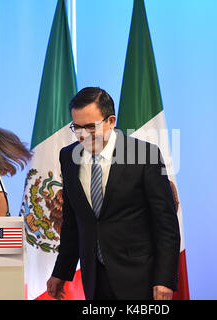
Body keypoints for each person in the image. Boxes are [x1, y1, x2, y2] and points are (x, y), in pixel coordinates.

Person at [46, 87, 180, 300]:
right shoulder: (68, 156)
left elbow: (166, 225)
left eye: (90, 127)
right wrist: (61, 272)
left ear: (111, 121)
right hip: (94, 279)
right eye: (77, 127)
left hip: (140, 278)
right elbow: (73, 222)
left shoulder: (145, 155)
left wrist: (164, 279)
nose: (83, 135)